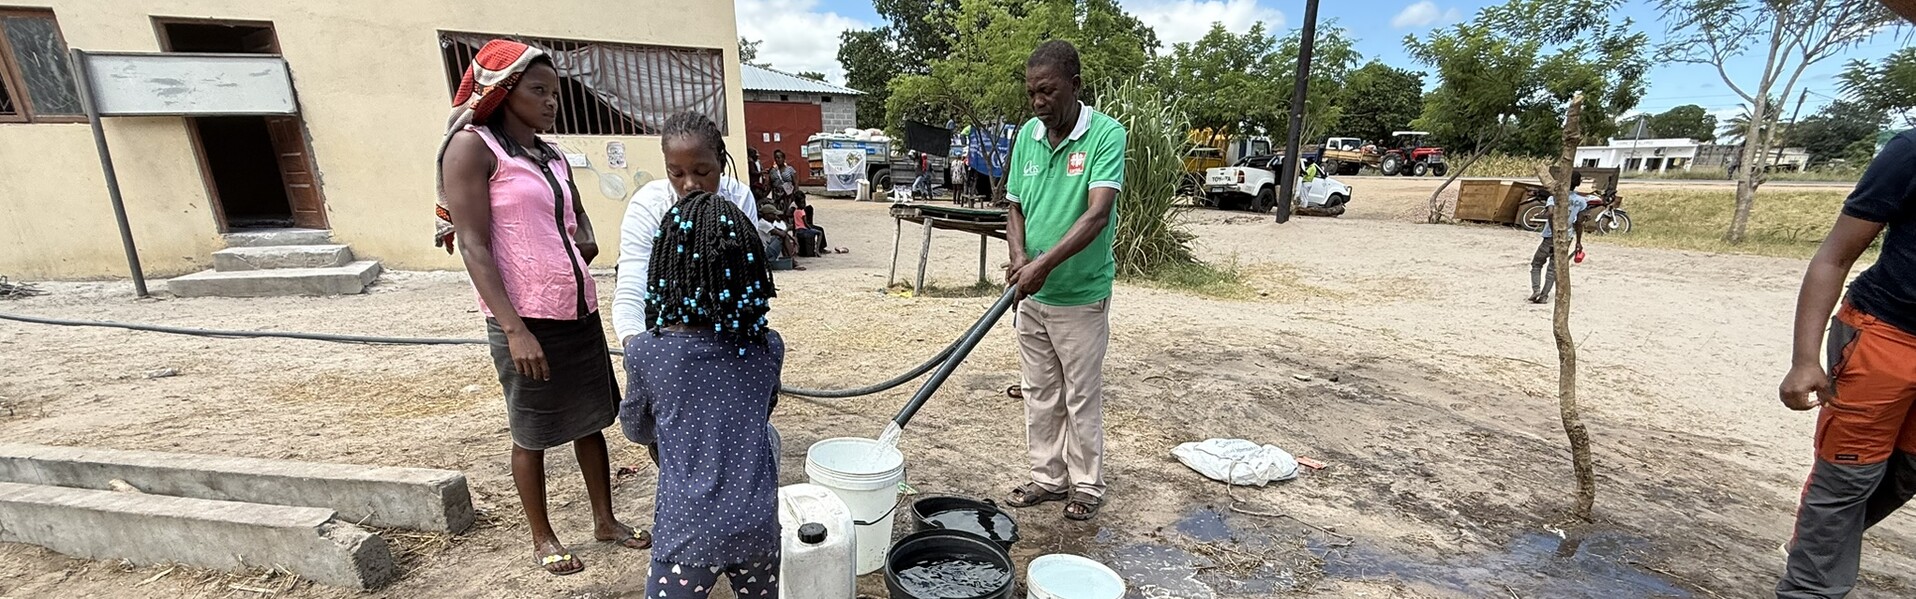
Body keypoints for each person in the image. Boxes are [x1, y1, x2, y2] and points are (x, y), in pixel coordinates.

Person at [434, 39, 645, 576]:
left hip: (577, 309)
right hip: (525, 319)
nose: (551, 101)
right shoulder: (474, 148)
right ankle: (542, 536)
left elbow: (578, 219)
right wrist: (513, 328)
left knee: (591, 420)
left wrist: (580, 244)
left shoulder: (549, 155)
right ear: (503, 92)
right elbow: (475, 244)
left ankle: (605, 520)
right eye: (538, 90)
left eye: (555, 92)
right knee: (532, 432)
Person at [620, 191, 784, 599]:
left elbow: (636, 429)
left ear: (666, 270)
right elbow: (763, 411)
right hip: (757, 526)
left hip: (687, 533)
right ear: (751, 273)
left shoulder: (647, 351)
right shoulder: (767, 347)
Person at [1775, 129, 1916, 599]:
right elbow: (1834, 256)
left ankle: (1820, 544)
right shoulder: (1910, 152)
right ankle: (1810, 590)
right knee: (1848, 476)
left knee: (1906, 472)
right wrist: (1803, 359)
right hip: (1884, 337)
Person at [1001, 40, 1126, 522]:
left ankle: (1087, 484)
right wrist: (1018, 257)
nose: (1038, 102)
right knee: (1039, 391)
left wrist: (1042, 265)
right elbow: (1014, 204)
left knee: (1080, 393)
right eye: (1032, 92)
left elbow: (1096, 214)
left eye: (1048, 91)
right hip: (1032, 293)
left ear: (1075, 85)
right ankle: (1047, 478)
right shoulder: (1028, 136)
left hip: (1079, 295)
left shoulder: (1105, 136)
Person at [614, 111, 778, 348]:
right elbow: (632, 282)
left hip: (725, 315)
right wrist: (635, 345)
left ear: (720, 162)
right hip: (663, 319)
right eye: (676, 173)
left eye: (702, 172)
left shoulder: (739, 199)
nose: (690, 184)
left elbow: (746, 275)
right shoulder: (649, 205)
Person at [1527, 173, 1589, 304]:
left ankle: (1536, 290)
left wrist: (1554, 230)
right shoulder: (1581, 201)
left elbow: (1550, 213)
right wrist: (1578, 242)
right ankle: (1544, 295)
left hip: (1550, 237)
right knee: (1553, 268)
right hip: (1567, 237)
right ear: (1578, 184)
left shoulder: (1554, 198)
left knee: (1537, 264)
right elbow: (1579, 222)